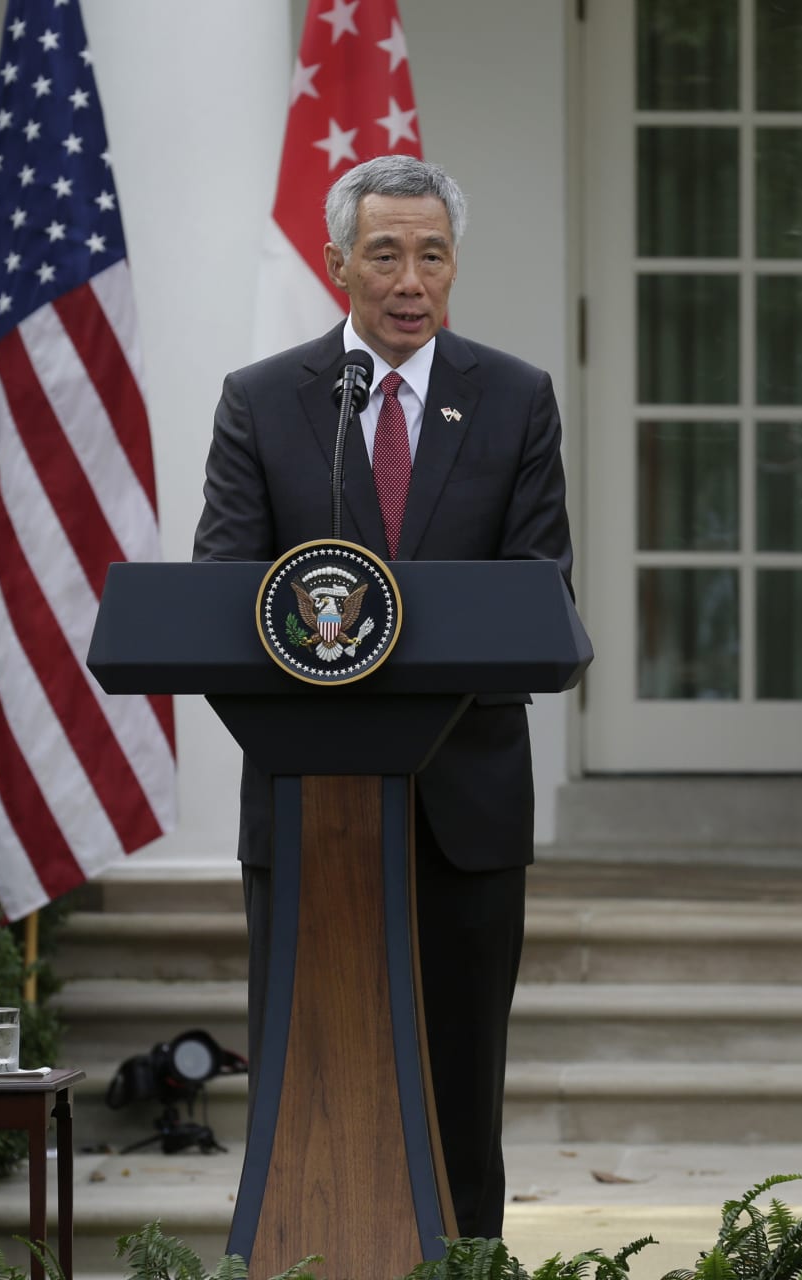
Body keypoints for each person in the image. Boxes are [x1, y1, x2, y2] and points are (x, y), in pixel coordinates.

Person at [192, 154, 572, 1239]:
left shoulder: (515, 398)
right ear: (337, 264)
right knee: (308, 1079)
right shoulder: (263, 401)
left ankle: (468, 1262)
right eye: (386, 254)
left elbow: (539, 591)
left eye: (433, 255)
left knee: (461, 1089)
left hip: (465, 804)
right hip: (310, 805)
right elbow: (221, 593)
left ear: (455, 266)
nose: (412, 280)